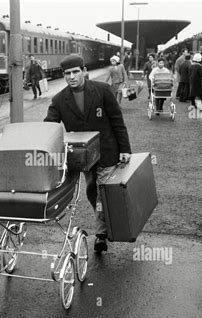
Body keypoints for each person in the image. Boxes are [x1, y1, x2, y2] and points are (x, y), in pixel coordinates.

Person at [44, 54, 132, 253]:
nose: (72, 77)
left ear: (84, 71)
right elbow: (49, 126)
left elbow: (117, 121)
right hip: (83, 157)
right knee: (92, 191)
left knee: (103, 191)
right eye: (67, 73)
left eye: (75, 72)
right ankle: (104, 221)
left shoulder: (102, 90)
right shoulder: (59, 100)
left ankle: (101, 235)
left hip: (107, 151)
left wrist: (125, 149)